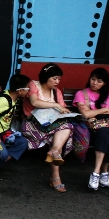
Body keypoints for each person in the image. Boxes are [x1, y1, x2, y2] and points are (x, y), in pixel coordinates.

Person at [21, 63, 74, 193]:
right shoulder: (33, 85)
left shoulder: (57, 92)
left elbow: (62, 109)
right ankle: (55, 174)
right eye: (54, 78)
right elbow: (34, 102)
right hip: (32, 125)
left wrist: (64, 111)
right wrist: (55, 105)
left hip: (50, 125)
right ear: (46, 77)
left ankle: (55, 155)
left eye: (59, 79)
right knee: (59, 133)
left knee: (66, 127)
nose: (57, 82)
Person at [72, 67, 109, 191]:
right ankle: (103, 172)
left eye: (99, 81)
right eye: (93, 79)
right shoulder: (81, 94)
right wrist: (104, 110)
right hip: (89, 129)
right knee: (108, 135)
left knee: (106, 134)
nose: (95, 83)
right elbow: (86, 115)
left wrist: (95, 112)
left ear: (105, 83)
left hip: (106, 128)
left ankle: (96, 173)